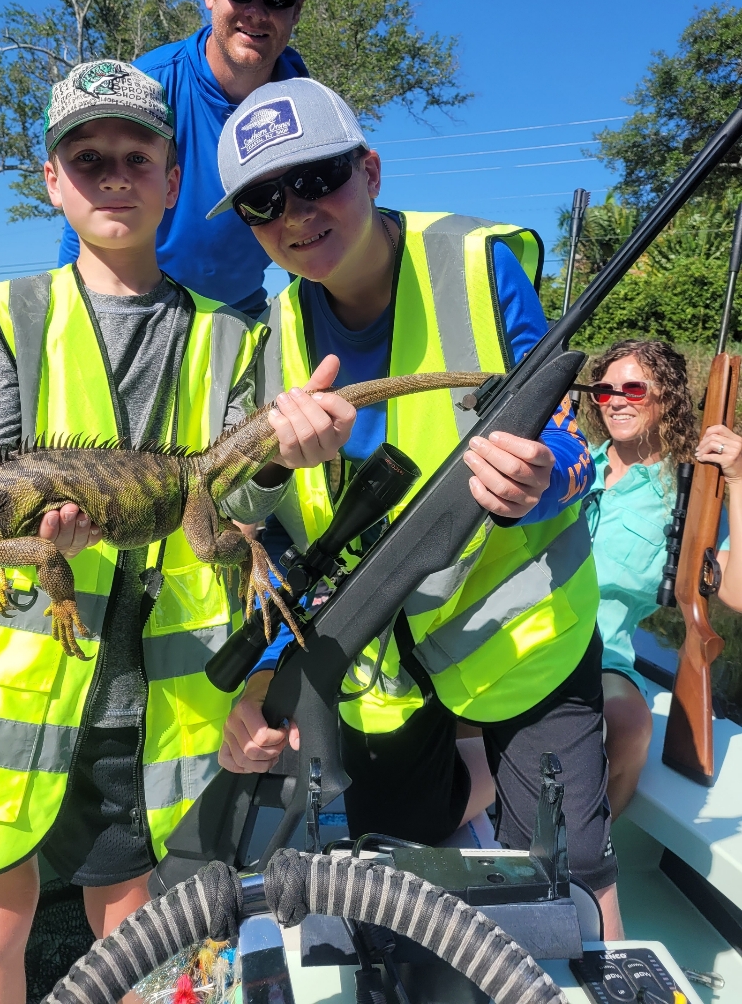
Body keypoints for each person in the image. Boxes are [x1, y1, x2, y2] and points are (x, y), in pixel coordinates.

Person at [0, 61, 355, 1004]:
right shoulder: (10, 313)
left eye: (136, 158)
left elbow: (243, 498)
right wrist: (25, 543)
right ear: (51, 180)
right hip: (10, 693)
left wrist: (286, 455)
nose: (113, 177)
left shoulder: (234, 334)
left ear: (172, 182)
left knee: (133, 919)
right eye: (86, 157)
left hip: (150, 699)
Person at [208, 77, 630, 936]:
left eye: (318, 177)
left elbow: (574, 435)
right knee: (397, 874)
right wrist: (281, 476)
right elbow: (263, 532)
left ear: (368, 169)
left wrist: (546, 476)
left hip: (524, 636)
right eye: (262, 199)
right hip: (381, 665)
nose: (295, 211)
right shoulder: (273, 336)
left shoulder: (479, 263)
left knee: (571, 874)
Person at [58, 0, 310, 316]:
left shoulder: (307, 108)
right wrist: (71, 318)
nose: (257, 9)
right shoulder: (147, 88)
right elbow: (82, 216)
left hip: (241, 322)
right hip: (139, 313)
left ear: (297, 8)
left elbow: (316, 240)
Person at [580, 339, 742, 816]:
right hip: (526, 633)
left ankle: (588, 859)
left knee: (629, 724)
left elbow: (735, 593)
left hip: (600, 651)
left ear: (667, 395)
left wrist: (736, 480)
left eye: (633, 387)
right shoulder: (570, 461)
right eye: (603, 390)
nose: (616, 400)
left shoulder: (693, 491)